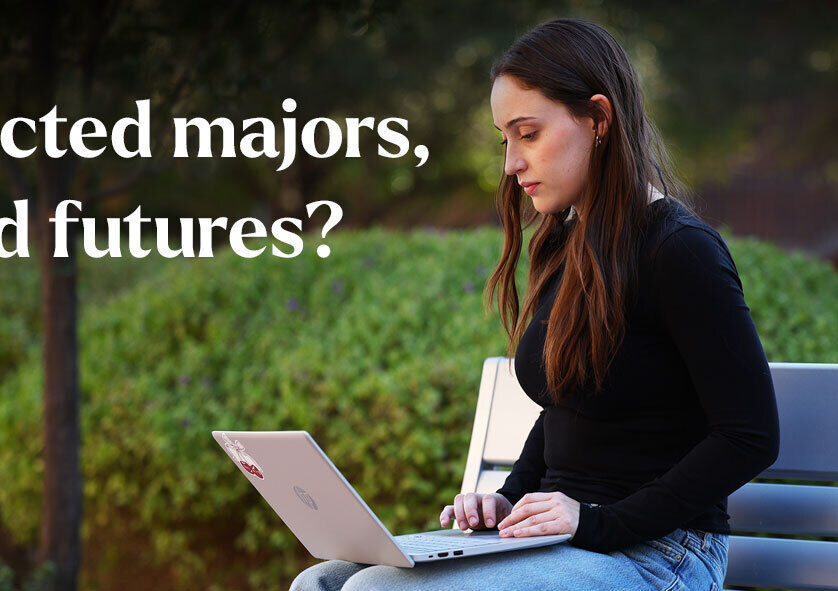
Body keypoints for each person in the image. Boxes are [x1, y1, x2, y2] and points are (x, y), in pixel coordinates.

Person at [289, 17, 780, 591]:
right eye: (506, 140)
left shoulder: (680, 250)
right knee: (322, 582)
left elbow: (749, 436)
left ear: (598, 119)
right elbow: (567, 409)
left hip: (663, 553)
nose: (510, 164)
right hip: (569, 541)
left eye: (528, 134)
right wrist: (507, 499)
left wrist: (599, 522)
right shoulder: (570, 244)